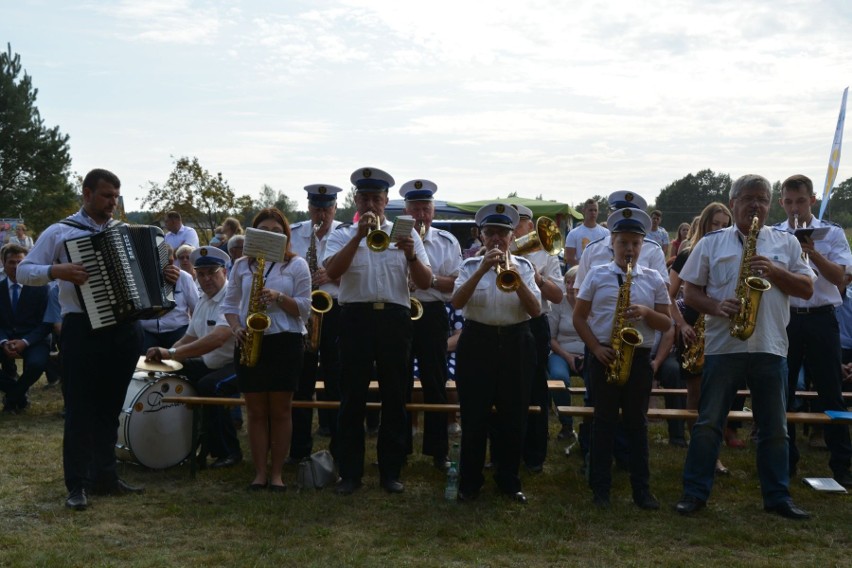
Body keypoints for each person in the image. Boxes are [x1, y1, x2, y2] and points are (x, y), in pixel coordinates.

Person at [17, 168, 180, 511]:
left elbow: (152, 282)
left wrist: (168, 277)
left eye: (116, 197)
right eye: (106, 196)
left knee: (110, 407)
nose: (112, 203)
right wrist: (56, 271)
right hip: (81, 328)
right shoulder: (61, 232)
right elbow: (22, 271)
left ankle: (106, 477)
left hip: (125, 330)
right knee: (79, 410)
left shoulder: (125, 232)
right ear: (87, 194)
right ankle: (76, 485)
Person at [676, 174, 815, 520]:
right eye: (749, 198)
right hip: (725, 346)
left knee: (774, 427)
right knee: (709, 423)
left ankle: (777, 497)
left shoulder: (785, 243)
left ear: (771, 205)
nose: (756, 205)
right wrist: (716, 306)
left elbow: (807, 289)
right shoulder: (710, 243)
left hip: (770, 345)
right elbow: (689, 292)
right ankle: (695, 493)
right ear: (733, 201)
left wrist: (774, 271)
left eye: (763, 199)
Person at [323, 167, 432, 495]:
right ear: (356, 200)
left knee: (395, 397)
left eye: (377, 198)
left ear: (386, 202)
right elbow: (331, 272)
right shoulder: (343, 233)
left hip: (394, 320)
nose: (371, 204)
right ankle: (350, 472)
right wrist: (358, 236)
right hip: (355, 317)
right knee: (352, 397)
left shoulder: (406, 232)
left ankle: (390, 471)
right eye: (365, 198)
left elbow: (425, 282)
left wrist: (411, 254)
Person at [573, 207, 671, 509]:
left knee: (637, 424)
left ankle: (641, 490)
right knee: (603, 422)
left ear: (643, 245)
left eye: (635, 244)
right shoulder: (597, 274)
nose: (629, 249)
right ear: (612, 243)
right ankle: (600, 488)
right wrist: (597, 348)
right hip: (604, 353)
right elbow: (579, 318)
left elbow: (667, 324)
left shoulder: (653, 278)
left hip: (638, 357)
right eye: (623, 243)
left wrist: (646, 313)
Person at [451, 203, 541, 504]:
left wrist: (514, 277)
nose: (496, 240)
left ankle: (509, 481)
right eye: (490, 234)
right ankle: (469, 482)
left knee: (513, 415)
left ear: (512, 236)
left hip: (517, 342)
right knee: (474, 415)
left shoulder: (525, 268)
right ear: (480, 236)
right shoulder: (467, 267)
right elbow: (456, 302)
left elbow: (536, 309)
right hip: (478, 342)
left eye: (502, 234)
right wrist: (481, 270)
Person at [222, 208, 311, 492]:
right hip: (249, 340)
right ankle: (259, 473)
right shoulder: (241, 265)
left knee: (281, 411)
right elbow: (229, 305)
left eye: (277, 231)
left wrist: (278, 297)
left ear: (285, 235)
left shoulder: (296, 265)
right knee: (256, 411)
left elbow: (305, 310)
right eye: (264, 231)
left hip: (285, 340)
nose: (271, 235)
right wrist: (236, 328)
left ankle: (277, 474)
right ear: (254, 235)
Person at [775, 174, 852, 487]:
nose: (795, 208)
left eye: (801, 201)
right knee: (784, 391)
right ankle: (785, 462)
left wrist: (812, 250)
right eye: (789, 202)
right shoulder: (775, 233)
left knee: (831, 391)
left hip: (822, 317)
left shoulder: (832, 233)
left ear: (813, 201)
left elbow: (840, 279)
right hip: (787, 318)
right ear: (782, 203)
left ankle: (842, 465)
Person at [145, 246, 241, 469]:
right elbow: (189, 337)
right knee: (174, 373)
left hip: (237, 364)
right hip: (213, 363)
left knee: (211, 386)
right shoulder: (203, 300)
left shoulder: (231, 299)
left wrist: (172, 353)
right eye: (202, 273)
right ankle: (185, 443)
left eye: (212, 272)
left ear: (224, 273)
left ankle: (228, 451)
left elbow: (217, 339)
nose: (206, 278)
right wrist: (166, 356)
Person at [669, 203, 737, 472]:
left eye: (724, 224)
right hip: (695, 329)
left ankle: (713, 451)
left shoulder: (733, 252)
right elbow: (668, 294)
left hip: (722, 331)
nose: (719, 229)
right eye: (714, 224)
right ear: (704, 224)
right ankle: (699, 450)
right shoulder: (688, 253)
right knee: (695, 395)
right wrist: (682, 324)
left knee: (719, 397)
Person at [401, 179, 462, 470]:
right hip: (400, 311)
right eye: (415, 209)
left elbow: (457, 285)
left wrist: (431, 279)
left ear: (433, 212)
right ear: (406, 211)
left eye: (426, 209)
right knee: (398, 380)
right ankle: (400, 446)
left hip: (434, 312)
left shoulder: (447, 242)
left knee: (435, 381)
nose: (421, 216)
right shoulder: (392, 237)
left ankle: (438, 450)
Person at [289, 184, 343, 462]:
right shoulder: (296, 234)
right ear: (309, 208)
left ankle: (337, 449)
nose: (321, 213)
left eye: (326, 208)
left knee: (335, 380)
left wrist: (332, 276)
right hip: (302, 311)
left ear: (335, 208)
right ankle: (299, 449)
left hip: (335, 310)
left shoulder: (346, 234)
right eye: (316, 208)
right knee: (301, 382)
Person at [511, 204, 564, 473]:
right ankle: (505, 451)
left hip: (534, 324)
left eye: (517, 223)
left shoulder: (545, 253)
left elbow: (558, 296)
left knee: (535, 389)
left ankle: (534, 455)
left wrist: (538, 277)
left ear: (530, 227)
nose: (511, 229)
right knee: (503, 387)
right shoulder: (497, 248)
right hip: (504, 322)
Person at [0, 244, 53, 412]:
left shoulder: (41, 289)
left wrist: (24, 341)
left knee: (37, 364)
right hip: (4, 338)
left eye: (20, 262)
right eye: (11, 262)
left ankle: (13, 396)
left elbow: (46, 324)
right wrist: (3, 341)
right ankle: (18, 393)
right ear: (3, 263)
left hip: (34, 340)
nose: (16, 267)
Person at [547, 266, 585, 440]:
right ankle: (566, 425)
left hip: (588, 352)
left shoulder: (590, 302)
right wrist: (568, 357)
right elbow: (551, 338)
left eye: (574, 283)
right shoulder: (558, 303)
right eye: (567, 282)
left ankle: (591, 424)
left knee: (598, 378)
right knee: (558, 377)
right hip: (561, 352)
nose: (570, 287)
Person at [139, 246, 199, 351]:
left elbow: (196, 307)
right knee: (143, 362)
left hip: (177, 330)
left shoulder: (184, 277)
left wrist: (195, 333)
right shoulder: (139, 277)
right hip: (148, 331)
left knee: (180, 361)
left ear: (172, 260)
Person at [564, 198, 609, 267]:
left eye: (595, 210)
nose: (593, 213)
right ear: (584, 211)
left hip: (601, 274)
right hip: (581, 273)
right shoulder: (573, 233)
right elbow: (570, 258)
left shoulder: (606, 233)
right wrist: (584, 270)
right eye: (590, 210)